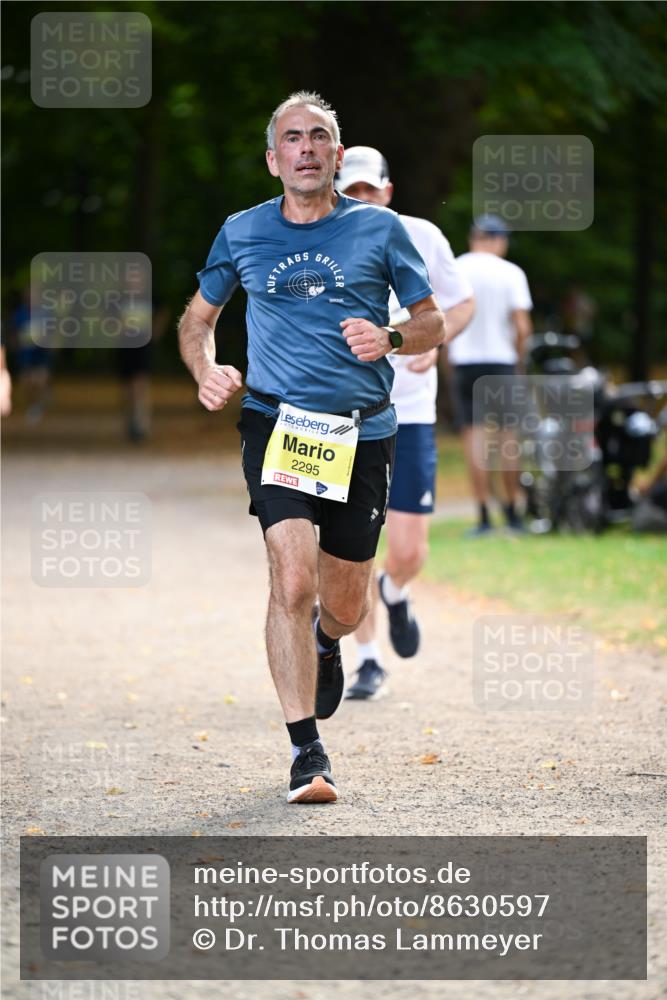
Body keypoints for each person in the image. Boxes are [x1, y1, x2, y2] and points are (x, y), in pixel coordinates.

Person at [178, 92, 445, 803]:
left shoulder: (380, 229)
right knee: (290, 582)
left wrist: (389, 337)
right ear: (273, 159)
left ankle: (329, 643)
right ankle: (306, 753)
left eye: (317, 137)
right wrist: (206, 367)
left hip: (363, 430)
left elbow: (432, 324)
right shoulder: (241, 232)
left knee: (345, 605)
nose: (304, 148)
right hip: (278, 425)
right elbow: (196, 319)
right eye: (291, 138)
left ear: (335, 153)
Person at [336, 147, 474, 700]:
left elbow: (460, 304)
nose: (363, 199)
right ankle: (367, 660)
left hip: (411, 413)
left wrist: (433, 342)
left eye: (372, 190)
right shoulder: (321, 240)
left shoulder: (423, 235)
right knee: (351, 546)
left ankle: (394, 589)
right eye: (354, 191)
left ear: (388, 192)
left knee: (411, 549)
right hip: (345, 414)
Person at [449, 214, 533, 535]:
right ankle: (513, 512)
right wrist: (519, 358)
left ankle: (483, 516)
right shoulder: (510, 272)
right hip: (501, 361)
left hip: (465, 360)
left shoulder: (456, 268)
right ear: (499, 241)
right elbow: (522, 326)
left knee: (474, 437)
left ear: (473, 238)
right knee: (508, 436)